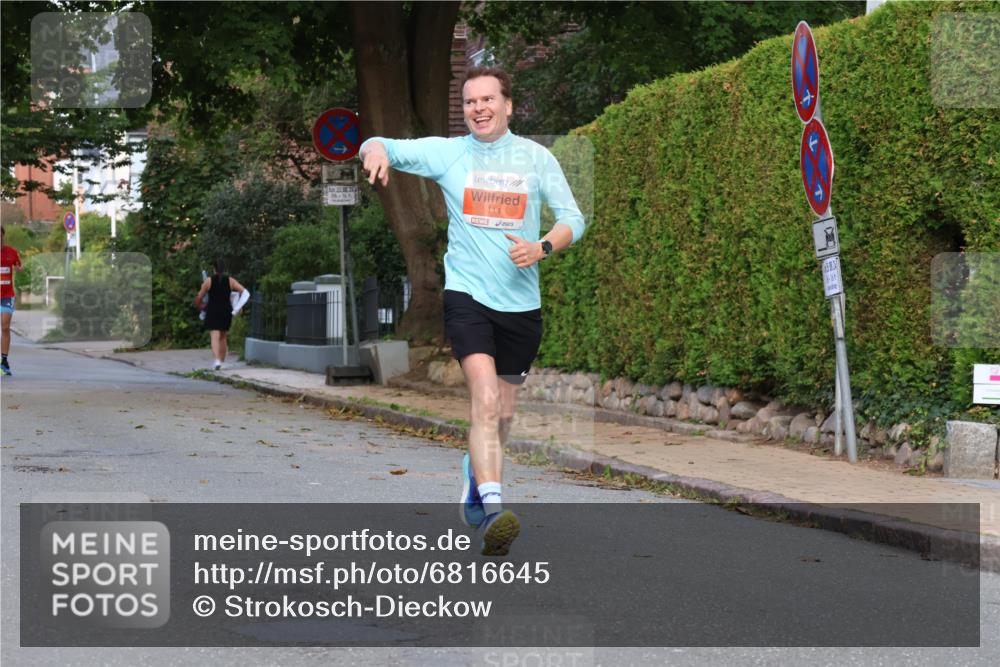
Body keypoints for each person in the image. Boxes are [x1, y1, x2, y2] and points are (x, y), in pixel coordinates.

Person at [360, 66, 586, 556]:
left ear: (508, 104)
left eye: (487, 100)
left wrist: (541, 247)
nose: (478, 109)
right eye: (469, 102)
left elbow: (574, 218)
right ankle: (494, 507)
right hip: (467, 298)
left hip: (522, 306)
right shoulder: (449, 153)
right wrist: (374, 150)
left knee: (503, 411)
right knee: (484, 401)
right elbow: (382, 142)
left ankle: (474, 478)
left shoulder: (535, 157)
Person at [194, 259, 248, 371]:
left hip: (212, 310)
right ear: (224, 269)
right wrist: (237, 307)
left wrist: (201, 308)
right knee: (223, 336)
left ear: (214, 269)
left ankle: (217, 361)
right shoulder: (231, 281)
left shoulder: (208, 281)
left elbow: (199, 298)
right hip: (226, 311)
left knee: (215, 335)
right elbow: (244, 292)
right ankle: (222, 362)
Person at [1, 226, 24, 377]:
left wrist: (20, 268)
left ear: (3, 236)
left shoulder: (11, 252)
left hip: (7, 295)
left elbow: (19, 265)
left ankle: (4, 360)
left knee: (5, 327)